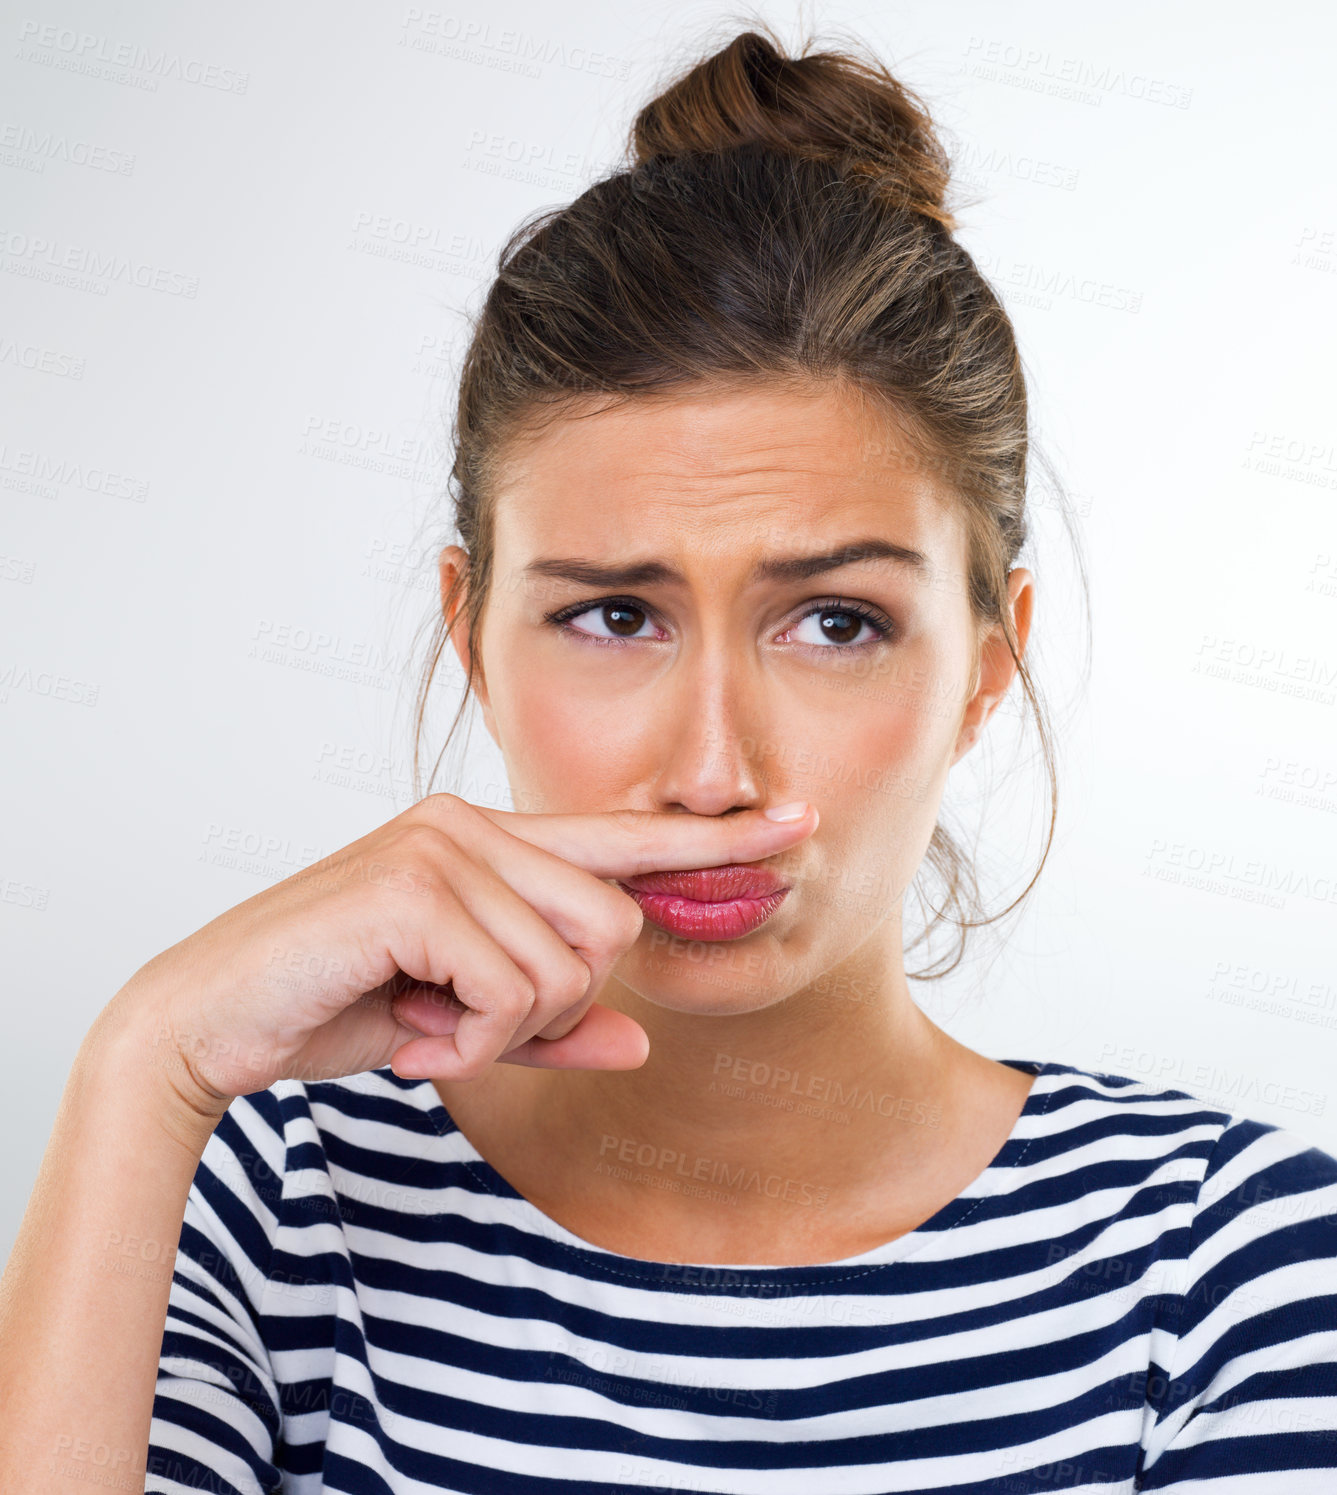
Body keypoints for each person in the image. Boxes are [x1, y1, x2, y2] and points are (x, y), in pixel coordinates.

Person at [4, 22, 1336, 1495]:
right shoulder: (259, 1214)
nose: (710, 773)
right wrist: (148, 1060)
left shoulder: (1231, 1271)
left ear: (985, 667)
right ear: (472, 633)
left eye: (835, 621)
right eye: (614, 615)